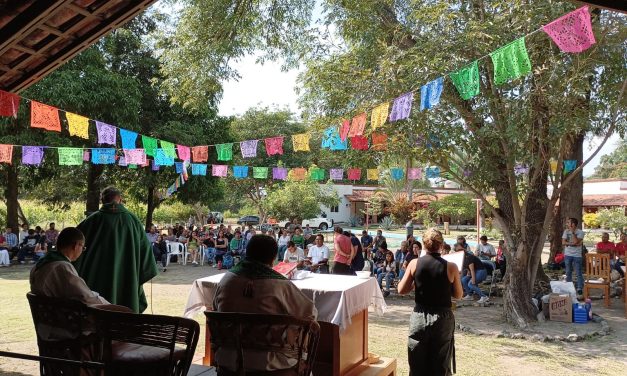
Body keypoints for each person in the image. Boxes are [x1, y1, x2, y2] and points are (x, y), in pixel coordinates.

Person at [213, 234, 317, 373]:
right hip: (271, 361)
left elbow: (215, 310)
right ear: (273, 258)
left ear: (247, 252)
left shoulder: (227, 280)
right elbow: (310, 314)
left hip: (229, 358)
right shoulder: (279, 284)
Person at [74, 187, 158, 313]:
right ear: (121, 200)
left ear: (102, 200)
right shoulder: (133, 221)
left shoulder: (91, 221)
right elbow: (145, 251)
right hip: (126, 278)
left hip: (95, 277)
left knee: (96, 316)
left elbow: (72, 249)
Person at [398, 228, 463, 376]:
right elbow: (458, 295)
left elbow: (401, 289)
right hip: (442, 318)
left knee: (417, 362)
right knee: (440, 363)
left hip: (420, 316)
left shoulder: (414, 263)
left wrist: (414, 282)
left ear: (423, 244)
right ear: (441, 245)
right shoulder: (451, 266)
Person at [30, 227, 109, 305]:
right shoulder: (61, 267)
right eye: (83, 247)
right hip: (62, 315)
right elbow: (86, 297)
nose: (82, 251)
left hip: (47, 314)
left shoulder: (40, 263)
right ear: (76, 245)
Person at [561, 217, 585, 296]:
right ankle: (569, 287)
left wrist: (572, 233)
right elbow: (563, 242)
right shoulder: (565, 231)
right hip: (567, 254)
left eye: (568, 223)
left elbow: (575, 241)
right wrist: (573, 244)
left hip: (577, 255)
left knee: (578, 272)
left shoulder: (580, 232)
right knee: (568, 271)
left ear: (573, 224)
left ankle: (579, 288)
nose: (567, 224)